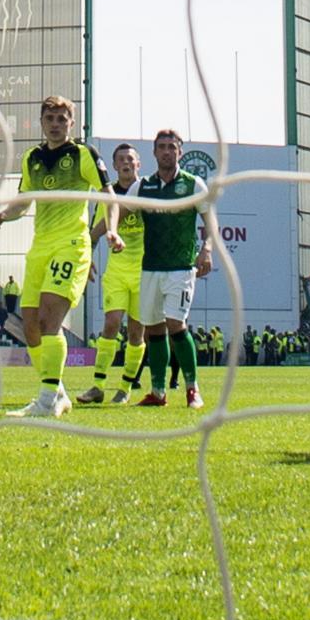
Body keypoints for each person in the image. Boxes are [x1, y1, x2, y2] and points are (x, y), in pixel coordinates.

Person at [0, 94, 101, 418]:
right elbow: (24, 200)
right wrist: (3, 215)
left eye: (62, 119)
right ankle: (58, 392)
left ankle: (46, 399)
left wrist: (109, 232)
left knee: (51, 320)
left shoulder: (83, 155)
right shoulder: (32, 158)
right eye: (50, 119)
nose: (55, 125)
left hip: (70, 244)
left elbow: (108, 195)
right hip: (39, 248)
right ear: (41, 122)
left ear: (71, 123)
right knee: (31, 327)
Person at [130, 129, 212, 410]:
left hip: (181, 267)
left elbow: (209, 221)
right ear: (154, 152)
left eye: (172, 147)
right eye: (162, 147)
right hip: (150, 267)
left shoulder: (193, 185)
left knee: (176, 325)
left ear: (180, 152)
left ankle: (192, 389)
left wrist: (207, 249)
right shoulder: (144, 186)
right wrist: (97, 236)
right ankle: (157, 391)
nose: (167, 151)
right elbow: (119, 209)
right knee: (153, 330)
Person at [79, 141, 146, 405]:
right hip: (116, 271)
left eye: (131, 159)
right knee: (111, 324)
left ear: (138, 164)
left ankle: (125, 388)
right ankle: (97, 385)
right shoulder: (108, 197)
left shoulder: (149, 192)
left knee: (136, 333)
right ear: (115, 165)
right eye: (121, 160)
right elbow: (94, 233)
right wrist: (85, 260)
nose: (126, 163)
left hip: (144, 272)